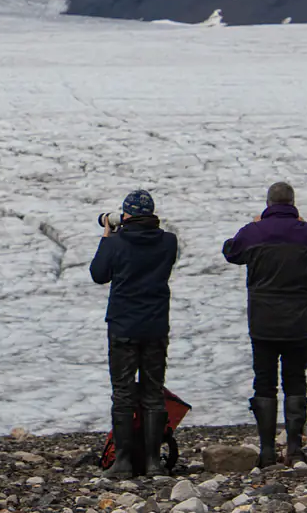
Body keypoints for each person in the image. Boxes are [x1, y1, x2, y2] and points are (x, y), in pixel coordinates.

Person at [223, 181, 307, 466]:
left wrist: (254, 226)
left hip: (262, 321)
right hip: (298, 321)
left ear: (268, 203)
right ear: (292, 203)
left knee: (264, 382)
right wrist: (305, 226)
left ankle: (266, 450)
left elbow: (230, 252)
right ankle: (294, 448)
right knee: (295, 380)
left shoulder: (253, 233)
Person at [90, 189, 178, 478]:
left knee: (124, 393)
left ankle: (124, 462)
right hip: (155, 327)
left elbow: (99, 274)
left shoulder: (116, 243)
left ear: (125, 214)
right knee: (153, 393)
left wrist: (107, 236)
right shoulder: (168, 242)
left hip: (123, 328)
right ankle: (153, 462)